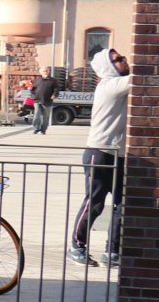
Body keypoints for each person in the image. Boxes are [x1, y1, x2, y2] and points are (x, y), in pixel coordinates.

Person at [70, 48, 131, 267]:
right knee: (94, 203)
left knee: (121, 204)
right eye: (119, 59)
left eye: (123, 57)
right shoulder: (111, 85)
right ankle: (76, 247)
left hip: (118, 153)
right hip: (99, 152)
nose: (125, 61)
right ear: (109, 66)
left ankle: (112, 252)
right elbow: (144, 77)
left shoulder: (119, 86)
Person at [32, 69, 61, 135]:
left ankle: (43, 130)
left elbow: (56, 89)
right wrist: (34, 95)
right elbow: (32, 88)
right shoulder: (37, 80)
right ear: (41, 72)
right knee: (37, 115)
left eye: (47, 71)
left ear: (49, 72)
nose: (45, 72)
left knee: (46, 116)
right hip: (37, 100)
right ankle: (36, 128)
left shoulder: (53, 80)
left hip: (47, 101)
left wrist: (54, 95)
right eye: (44, 71)